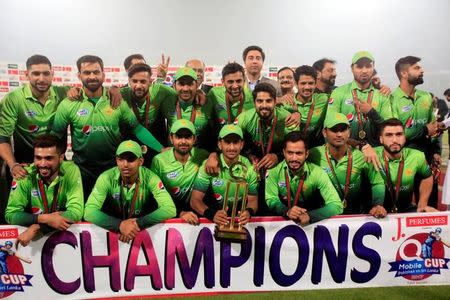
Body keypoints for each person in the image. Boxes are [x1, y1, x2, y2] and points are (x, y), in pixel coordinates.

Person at [51, 55, 164, 198]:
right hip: (82, 172)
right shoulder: (69, 103)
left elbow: (137, 128)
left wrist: (161, 148)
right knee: (84, 216)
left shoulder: (116, 100)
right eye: (87, 72)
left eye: (96, 72)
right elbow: (55, 136)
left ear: (103, 75)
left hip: (114, 171)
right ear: (79, 75)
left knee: (114, 214)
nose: (92, 76)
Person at [84, 140, 176, 243]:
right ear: (116, 160)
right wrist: (119, 225)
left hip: (141, 235)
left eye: (131, 159)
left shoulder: (150, 177)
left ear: (140, 161)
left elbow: (170, 209)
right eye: (121, 159)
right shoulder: (106, 178)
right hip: (112, 236)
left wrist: (137, 224)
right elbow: (89, 212)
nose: (125, 164)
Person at [5, 134, 84, 247]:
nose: (42, 164)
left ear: (61, 158)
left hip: (62, 240)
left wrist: (38, 228)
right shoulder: (24, 175)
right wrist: (44, 219)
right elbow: (11, 215)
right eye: (38, 158)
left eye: (48, 158)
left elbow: (76, 212)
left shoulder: (72, 170)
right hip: (31, 244)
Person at [0, 55, 68, 179]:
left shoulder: (64, 93)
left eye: (46, 74)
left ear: (52, 74)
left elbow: (91, 91)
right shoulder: (13, 99)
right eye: (36, 73)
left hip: (58, 163)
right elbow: (2, 138)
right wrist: (13, 165)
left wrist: (113, 89)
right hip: (24, 164)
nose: (41, 79)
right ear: (27, 75)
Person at [326, 51, 393, 170]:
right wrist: (360, 145)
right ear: (352, 68)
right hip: (346, 156)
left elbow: (390, 130)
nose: (364, 70)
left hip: (376, 155)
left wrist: (372, 112)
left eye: (368, 66)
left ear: (373, 67)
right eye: (359, 66)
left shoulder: (382, 95)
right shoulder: (339, 93)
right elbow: (329, 129)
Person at [308, 112, 385, 215]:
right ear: (324, 132)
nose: (339, 134)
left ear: (349, 132)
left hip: (354, 215)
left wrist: (377, 204)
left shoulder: (362, 156)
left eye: (343, 130)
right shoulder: (314, 154)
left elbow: (377, 182)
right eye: (334, 130)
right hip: (324, 214)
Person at [390, 56, 441, 208]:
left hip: (426, 158)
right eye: (417, 68)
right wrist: (425, 129)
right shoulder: (392, 99)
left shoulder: (425, 96)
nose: (422, 70)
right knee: (400, 205)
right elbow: (396, 134)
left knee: (428, 205)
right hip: (402, 160)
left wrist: (436, 151)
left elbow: (433, 129)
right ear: (404, 73)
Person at [265, 131, 343, 225]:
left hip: (310, 225)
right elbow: (271, 199)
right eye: (290, 153)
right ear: (284, 153)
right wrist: (286, 211)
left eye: (299, 153)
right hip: (282, 224)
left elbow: (337, 205)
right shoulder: (274, 172)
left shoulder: (317, 172)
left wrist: (310, 216)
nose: (294, 158)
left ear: (306, 154)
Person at [190, 125, 258, 226]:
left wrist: (249, 212)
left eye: (235, 142)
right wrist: (212, 214)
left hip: (238, 221)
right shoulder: (208, 165)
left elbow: (253, 200)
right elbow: (195, 200)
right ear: (219, 144)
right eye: (227, 142)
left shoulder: (249, 168)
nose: (231, 147)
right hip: (213, 218)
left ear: (242, 144)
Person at [370, 118, 437, 216]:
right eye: (389, 135)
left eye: (399, 134)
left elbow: (427, 177)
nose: (394, 140)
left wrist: (422, 203)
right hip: (374, 213)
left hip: (405, 211)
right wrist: (364, 147)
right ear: (381, 139)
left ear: (404, 138)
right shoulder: (371, 156)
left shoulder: (417, 156)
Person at [151, 120, 208, 225]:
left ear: (194, 139)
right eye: (179, 136)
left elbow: (218, 155)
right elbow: (154, 196)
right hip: (170, 212)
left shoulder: (202, 155)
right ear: (171, 138)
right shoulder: (158, 161)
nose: (183, 141)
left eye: (187, 137)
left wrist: (213, 156)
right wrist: (180, 213)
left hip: (196, 211)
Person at [160, 67, 214, 151]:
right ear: (174, 86)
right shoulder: (166, 102)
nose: (185, 89)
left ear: (196, 85)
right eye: (181, 84)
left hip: (198, 157)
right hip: (172, 157)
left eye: (190, 84)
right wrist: (160, 78)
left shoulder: (207, 103)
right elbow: (154, 92)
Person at [280, 65, 329, 147]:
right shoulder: (286, 102)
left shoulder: (323, 99)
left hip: (316, 147)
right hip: (294, 149)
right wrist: (278, 99)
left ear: (316, 83)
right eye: (303, 83)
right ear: (296, 84)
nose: (307, 87)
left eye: (310, 83)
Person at [208, 62, 254, 129]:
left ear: (244, 81)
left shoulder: (252, 98)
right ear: (223, 82)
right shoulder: (214, 93)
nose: (235, 86)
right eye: (230, 82)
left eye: (238, 81)